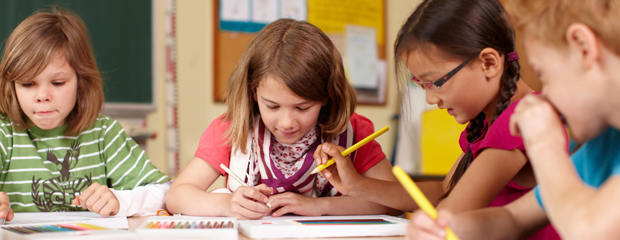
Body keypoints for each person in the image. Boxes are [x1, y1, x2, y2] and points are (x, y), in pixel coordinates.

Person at [314, 0, 561, 239]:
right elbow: (444, 191)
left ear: (488, 63)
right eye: (421, 84)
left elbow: (449, 212)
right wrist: (355, 185)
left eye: (435, 82)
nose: (430, 98)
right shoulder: (493, 121)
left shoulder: (521, 121)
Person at [406, 0, 620, 239]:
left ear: (583, 48)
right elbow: (513, 218)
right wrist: (448, 227)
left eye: (544, 76)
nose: (545, 95)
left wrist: (544, 146)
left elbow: (589, 230)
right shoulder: (604, 144)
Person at [165, 18, 400, 220]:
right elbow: (177, 196)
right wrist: (225, 204)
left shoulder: (353, 131)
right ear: (253, 91)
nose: (287, 122)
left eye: (302, 107)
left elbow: (394, 201)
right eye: (272, 106)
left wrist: (321, 207)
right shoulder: (232, 129)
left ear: (327, 96)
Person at [0, 7, 171, 221]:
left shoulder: (103, 133)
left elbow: (165, 192)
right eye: (27, 83)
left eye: (58, 82)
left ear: (81, 81)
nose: (42, 96)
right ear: (12, 85)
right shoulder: (4, 134)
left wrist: (121, 200)